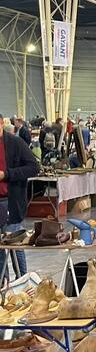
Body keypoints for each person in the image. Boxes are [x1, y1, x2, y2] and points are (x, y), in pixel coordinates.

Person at [0, 114, 39, 276]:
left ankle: (22, 279)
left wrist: (7, 174)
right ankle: (3, 282)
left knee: (15, 244)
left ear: (1, 123)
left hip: (10, 202)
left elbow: (33, 167)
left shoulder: (15, 143)